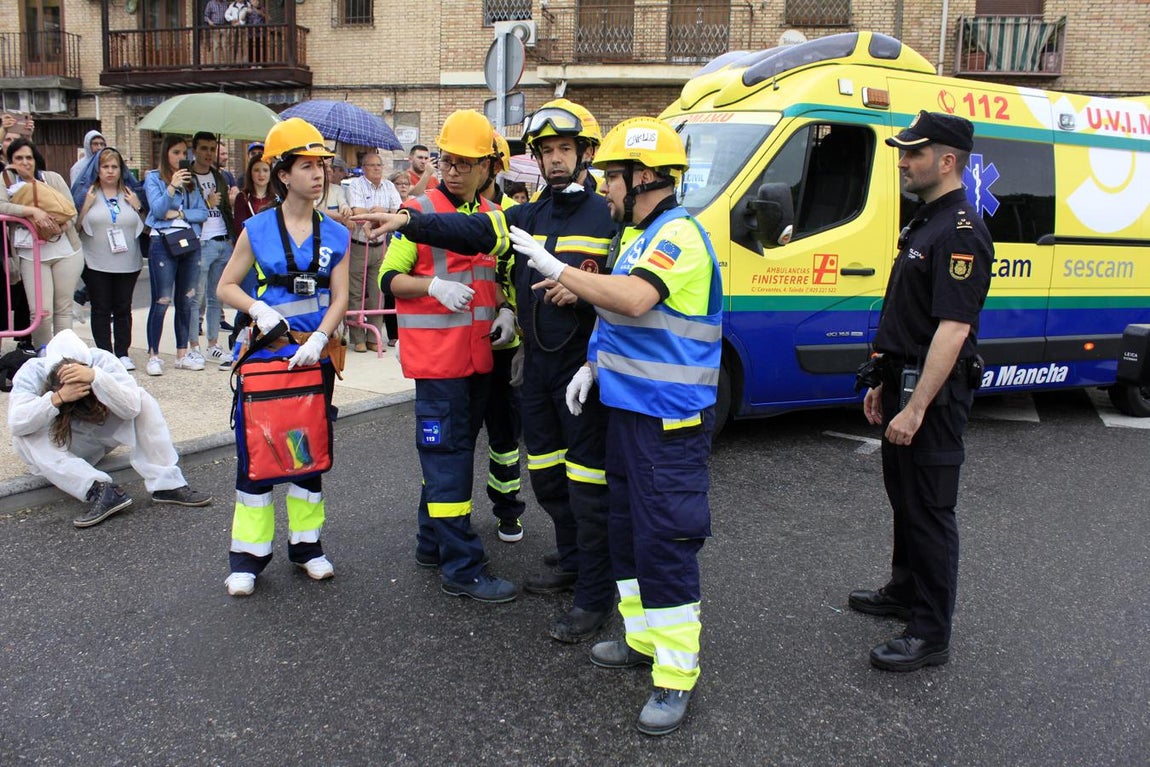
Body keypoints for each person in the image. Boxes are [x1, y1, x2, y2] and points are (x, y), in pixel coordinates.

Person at [355, 101, 615, 638]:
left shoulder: (607, 217)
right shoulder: (522, 216)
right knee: (539, 475)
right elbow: (471, 234)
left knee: (586, 483)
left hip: (573, 371)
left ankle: (593, 588)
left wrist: (582, 293)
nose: (556, 160)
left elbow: (628, 288)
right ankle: (544, 560)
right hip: (521, 370)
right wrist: (408, 221)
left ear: (584, 153)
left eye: (565, 149)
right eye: (547, 151)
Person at [510, 116, 722, 736]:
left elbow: (632, 299)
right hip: (629, 413)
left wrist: (555, 266)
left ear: (644, 176)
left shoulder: (677, 233)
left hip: (668, 423)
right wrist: (595, 366)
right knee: (628, 534)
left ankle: (675, 676)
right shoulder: (641, 233)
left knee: (665, 544)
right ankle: (641, 640)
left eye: (612, 179)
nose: (603, 191)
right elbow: (616, 317)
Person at [849, 111, 994, 672]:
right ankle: (904, 591)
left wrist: (916, 406)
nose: (903, 162)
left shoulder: (961, 230)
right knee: (905, 500)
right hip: (903, 380)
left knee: (930, 510)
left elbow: (953, 330)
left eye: (913, 153)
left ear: (947, 160)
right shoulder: (926, 221)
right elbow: (907, 316)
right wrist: (884, 381)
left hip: (931, 395)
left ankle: (931, 632)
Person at [372, 109, 517, 604]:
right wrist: (433, 285)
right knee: (450, 461)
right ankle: (462, 568)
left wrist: (505, 310)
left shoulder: (493, 216)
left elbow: (495, 277)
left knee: (446, 457)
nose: (451, 169)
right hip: (438, 364)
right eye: (446, 160)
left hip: (478, 359)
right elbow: (388, 279)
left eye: (463, 162)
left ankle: (431, 544)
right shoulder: (417, 209)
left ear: (487, 168)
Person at [215, 117, 351, 598]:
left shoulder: (336, 233)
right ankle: (248, 558)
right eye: (308, 166)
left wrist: (321, 337)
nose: (319, 175)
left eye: (323, 167)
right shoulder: (255, 229)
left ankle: (308, 548)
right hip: (266, 355)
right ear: (283, 173)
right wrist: (258, 308)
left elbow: (339, 296)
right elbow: (226, 285)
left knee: (307, 450)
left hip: (314, 358)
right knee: (256, 452)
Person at [7, 330, 211, 529]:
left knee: (141, 398)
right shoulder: (32, 371)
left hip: (97, 437)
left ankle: (167, 485)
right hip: (58, 450)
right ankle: (97, 489)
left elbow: (131, 406)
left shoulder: (101, 361)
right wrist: (58, 398)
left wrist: (96, 378)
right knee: (25, 434)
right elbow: (16, 422)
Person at [0, 137, 84, 349]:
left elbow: (71, 211)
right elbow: (2, 206)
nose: (25, 162)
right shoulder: (6, 181)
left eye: (29, 157)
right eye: (18, 158)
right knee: (40, 312)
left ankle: (64, 358)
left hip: (65, 249)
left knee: (63, 309)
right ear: (10, 161)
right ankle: (43, 356)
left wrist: (56, 228)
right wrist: (31, 211)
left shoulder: (52, 178)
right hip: (30, 253)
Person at [142, 134, 210, 376]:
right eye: (176, 153)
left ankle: (182, 354)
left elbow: (203, 212)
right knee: (161, 300)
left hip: (189, 241)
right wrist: (171, 187)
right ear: (165, 154)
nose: (182, 158)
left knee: (187, 299)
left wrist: (180, 215)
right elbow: (158, 210)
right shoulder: (153, 178)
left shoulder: (191, 181)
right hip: (162, 241)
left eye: (184, 153)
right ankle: (154, 355)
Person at [76, 147, 145, 370]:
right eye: (105, 166)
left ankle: (123, 352)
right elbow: (75, 228)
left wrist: (138, 206)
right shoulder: (88, 193)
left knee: (123, 307)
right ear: (97, 169)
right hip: (95, 260)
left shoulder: (129, 192)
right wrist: (84, 207)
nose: (110, 171)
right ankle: (104, 353)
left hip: (127, 261)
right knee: (101, 307)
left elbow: (146, 225)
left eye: (114, 166)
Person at [186, 131, 237, 368]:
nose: (208, 153)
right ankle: (193, 346)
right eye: (204, 148)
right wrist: (207, 203)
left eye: (211, 148)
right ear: (194, 149)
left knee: (217, 296)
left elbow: (225, 208)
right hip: (200, 241)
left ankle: (213, 344)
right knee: (196, 297)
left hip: (221, 240)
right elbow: (184, 209)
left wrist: (231, 239)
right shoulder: (187, 177)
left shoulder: (219, 176)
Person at [344, 152, 400, 352]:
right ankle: (357, 336)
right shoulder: (355, 185)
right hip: (359, 244)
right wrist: (380, 213)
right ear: (364, 167)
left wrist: (380, 211)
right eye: (372, 165)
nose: (377, 168)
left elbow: (397, 211)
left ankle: (373, 337)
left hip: (381, 245)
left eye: (379, 165)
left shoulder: (389, 186)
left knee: (378, 291)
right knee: (356, 290)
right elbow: (358, 211)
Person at [233, 154, 273, 231]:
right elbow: (240, 228)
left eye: (265, 170)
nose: (261, 174)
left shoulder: (277, 198)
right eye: (256, 170)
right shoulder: (242, 197)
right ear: (250, 173)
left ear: (270, 173)